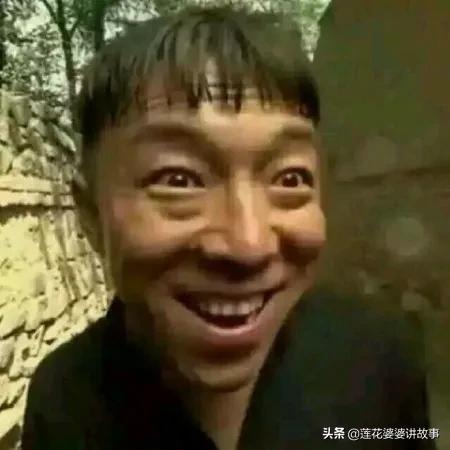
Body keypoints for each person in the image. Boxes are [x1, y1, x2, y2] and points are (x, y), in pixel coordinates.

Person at [22, 6, 434, 450]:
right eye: (178, 179)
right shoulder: (65, 400)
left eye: (290, 178)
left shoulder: (380, 362)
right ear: (90, 213)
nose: (248, 244)